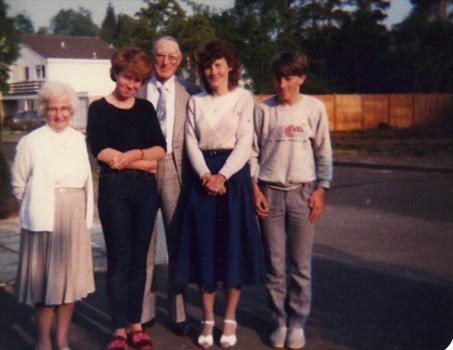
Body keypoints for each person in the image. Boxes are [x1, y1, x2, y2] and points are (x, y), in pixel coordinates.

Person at [173, 39, 264, 349]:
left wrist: (223, 175)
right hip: (203, 178)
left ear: (230, 67)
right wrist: (206, 176)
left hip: (233, 177)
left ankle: (229, 319)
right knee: (205, 250)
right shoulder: (196, 102)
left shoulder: (243, 98)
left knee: (232, 249)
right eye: (209, 66)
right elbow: (190, 143)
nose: (213, 71)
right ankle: (208, 318)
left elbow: (245, 142)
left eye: (219, 65)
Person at [249, 52, 333, 349]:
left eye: (289, 78)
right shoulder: (263, 110)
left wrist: (321, 190)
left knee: (300, 264)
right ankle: (279, 320)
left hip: (303, 192)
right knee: (274, 264)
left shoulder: (314, 108)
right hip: (269, 192)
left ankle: (297, 322)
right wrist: (255, 189)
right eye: (278, 78)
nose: (282, 84)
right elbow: (252, 153)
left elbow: (323, 152)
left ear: (301, 78)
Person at [86, 48, 166, 350]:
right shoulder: (98, 109)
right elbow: (102, 152)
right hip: (114, 191)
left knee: (138, 261)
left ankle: (136, 325)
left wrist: (136, 156)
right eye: (126, 77)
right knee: (119, 261)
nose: (131, 85)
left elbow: (159, 151)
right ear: (116, 74)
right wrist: (142, 161)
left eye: (137, 80)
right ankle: (118, 330)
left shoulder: (145, 109)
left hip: (145, 192)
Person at [11, 81, 95, 350]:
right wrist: (35, 208)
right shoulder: (31, 142)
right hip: (43, 217)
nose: (59, 115)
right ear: (44, 110)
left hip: (73, 217)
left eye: (64, 109)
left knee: (68, 284)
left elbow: (85, 181)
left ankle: (62, 339)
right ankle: (44, 341)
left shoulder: (78, 140)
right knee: (44, 285)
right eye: (53, 109)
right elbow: (19, 183)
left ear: (72, 110)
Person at [138, 35, 201, 335]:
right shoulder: (137, 90)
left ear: (179, 61)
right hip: (143, 171)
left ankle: (178, 313)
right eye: (160, 56)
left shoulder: (191, 92)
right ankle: (144, 311)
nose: (165, 62)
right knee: (144, 243)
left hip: (177, 171)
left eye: (171, 58)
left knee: (178, 245)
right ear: (152, 57)